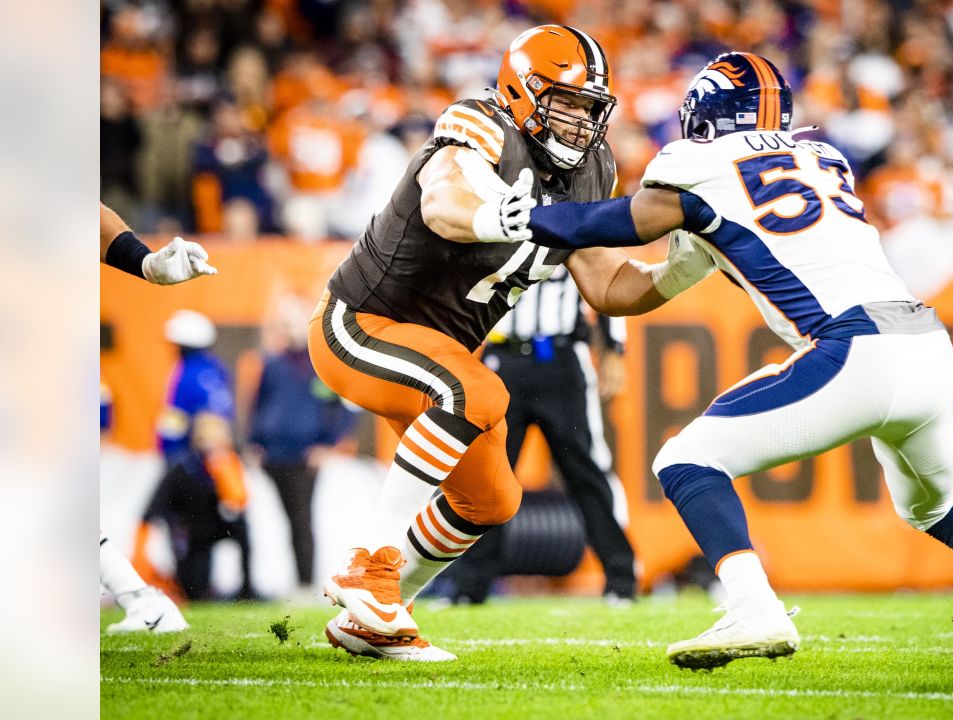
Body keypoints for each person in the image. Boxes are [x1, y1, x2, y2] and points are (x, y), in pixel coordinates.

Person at [518, 52, 953, 674]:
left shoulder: (700, 166)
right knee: (938, 507)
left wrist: (523, 214)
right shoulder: (822, 159)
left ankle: (753, 606)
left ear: (707, 114)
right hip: (927, 344)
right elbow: (626, 291)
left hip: (856, 347)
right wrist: (569, 236)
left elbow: (627, 224)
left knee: (685, 459)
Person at [307, 25, 712, 661]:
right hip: (363, 323)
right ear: (524, 93)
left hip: (441, 355)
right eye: (568, 103)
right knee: (476, 392)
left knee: (493, 497)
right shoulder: (482, 125)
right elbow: (444, 199)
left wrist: (674, 274)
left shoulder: (592, 169)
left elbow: (604, 284)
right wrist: (500, 215)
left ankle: (377, 616)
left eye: (590, 109)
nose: (581, 122)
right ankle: (369, 569)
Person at [440, 270, 635, 605]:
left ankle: (621, 579)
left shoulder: (574, 220)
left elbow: (607, 274)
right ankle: (469, 587)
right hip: (502, 359)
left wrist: (614, 348)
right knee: (488, 476)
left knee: (586, 471)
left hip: (560, 359)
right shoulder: (491, 222)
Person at [99, 202, 216, 633]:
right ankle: (140, 598)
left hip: (189, 465)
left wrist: (144, 262)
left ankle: (142, 598)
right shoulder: (200, 372)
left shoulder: (193, 375)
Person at [138, 310, 257, 600]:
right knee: (233, 529)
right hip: (218, 470)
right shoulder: (218, 371)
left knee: (187, 535)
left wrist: (170, 454)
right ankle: (238, 588)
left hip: (187, 470)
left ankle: (194, 589)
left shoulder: (185, 376)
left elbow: (174, 426)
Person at [247, 296, 358, 593]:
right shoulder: (273, 362)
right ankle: (290, 579)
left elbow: (347, 407)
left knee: (301, 519)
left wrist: (329, 445)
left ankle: (305, 582)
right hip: (274, 454)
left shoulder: (321, 364)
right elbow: (260, 403)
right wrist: (255, 442)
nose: (287, 329)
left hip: (304, 456)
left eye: (292, 322)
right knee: (282, 520)